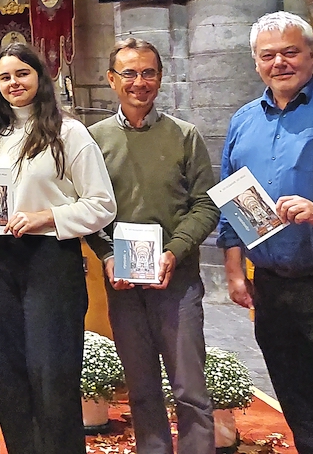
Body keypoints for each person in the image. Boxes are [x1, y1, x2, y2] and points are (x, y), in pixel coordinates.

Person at [0, 43, 115, 454]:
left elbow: (101, 204)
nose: (13, 84)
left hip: (49, 262)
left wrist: (48, 217)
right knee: (8, 378)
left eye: (21, 74)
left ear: (40, 77)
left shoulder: (69, 132)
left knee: (50, 377)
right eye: (4, 77)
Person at [218, 11, 313, 454]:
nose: (280, 62)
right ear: (256, 62)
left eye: (290, 52)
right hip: (273, 290)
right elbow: (230, 199)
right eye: (268, 55)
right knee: (300, 404)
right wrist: (235, 272)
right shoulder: (242, 121)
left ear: (312, 55)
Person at [86, 38, 220, 454]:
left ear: (159, 78)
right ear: (112, 79)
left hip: (176, 281)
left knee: (191, 391)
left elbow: (206, 205)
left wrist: (174, 251)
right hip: (123, 285)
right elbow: (86, 209)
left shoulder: (185, 135)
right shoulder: (93, 140)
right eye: (129, 73)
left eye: (148, 73)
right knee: (141, 390)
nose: (139, 82)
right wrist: (107, 255)